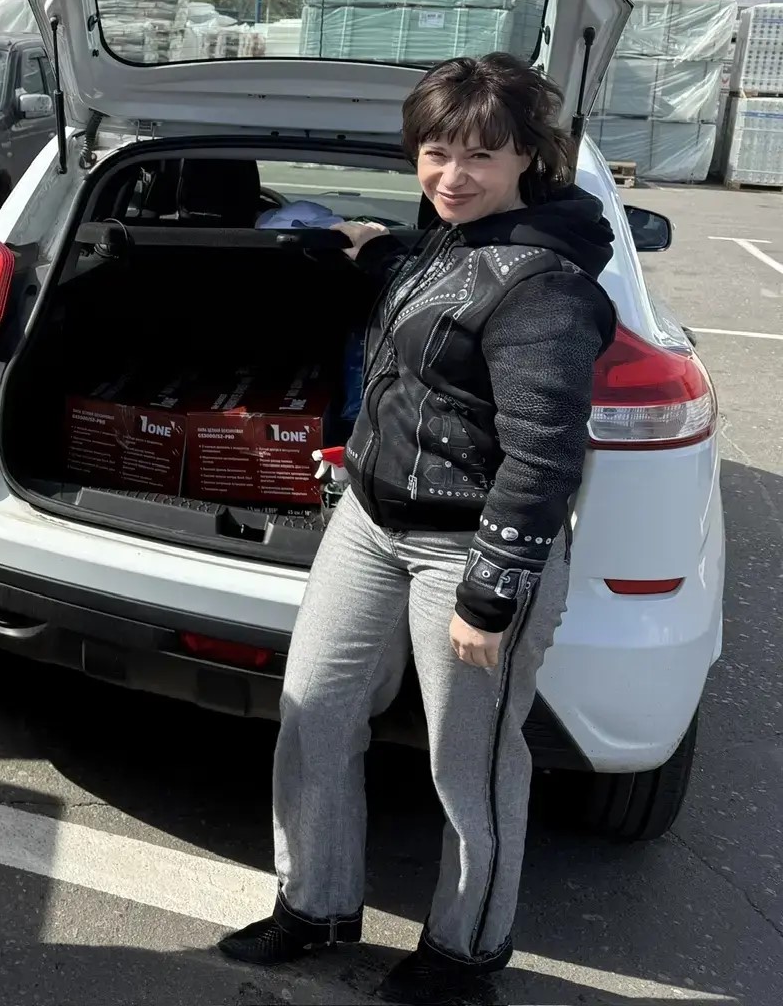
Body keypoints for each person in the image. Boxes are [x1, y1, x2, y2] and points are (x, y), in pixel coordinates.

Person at [218, 54, 618, 1006]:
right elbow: (443, 287)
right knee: (315, 713)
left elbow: (543, 458)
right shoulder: (452, 235)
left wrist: (491, 594)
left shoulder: (548, 288)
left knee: (469, 765)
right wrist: (377, 251)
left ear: (529, 157)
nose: (452, 175)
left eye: (481, 155)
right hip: (370, 523)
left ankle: (464, 955)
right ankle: (313, 905)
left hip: (469, 548)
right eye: (436, 152)